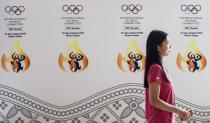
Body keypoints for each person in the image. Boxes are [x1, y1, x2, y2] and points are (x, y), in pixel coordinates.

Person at [144, 30, 192, 123]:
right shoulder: (156, 68)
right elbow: (154, 100)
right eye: (167, 43)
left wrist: (180, 113)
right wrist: (178, 111)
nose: (170, 46)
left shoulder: (161, 68)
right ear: (158, 47)